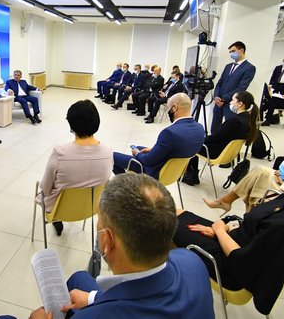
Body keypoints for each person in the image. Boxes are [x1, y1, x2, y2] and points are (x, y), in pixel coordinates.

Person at [174, 136, 284, 315]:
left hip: (229, 267)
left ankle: (171, 291)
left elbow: (242, 261)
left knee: (164, 223)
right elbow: (256, 229)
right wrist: (225, 229)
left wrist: (219, 231)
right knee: (176, 213)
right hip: (231, 240)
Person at [27, 173, 214, 319]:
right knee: (79, 278)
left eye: (99, 222)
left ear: (108, 241)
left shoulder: (96, 316)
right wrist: (92, 298)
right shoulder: (192, 260)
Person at [37, 100, 113, 236]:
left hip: (58, 210)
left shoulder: (60, 153)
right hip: (92, 207)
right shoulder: (108, 151)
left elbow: (46, 188)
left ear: (71, 124)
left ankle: (57, 221)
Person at [113, 93, 205, 178]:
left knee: (112, 156)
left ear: (174, 108)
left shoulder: (170, 133)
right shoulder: (200, 128)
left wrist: (138, 154)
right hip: (173, 173)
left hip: (155, 172)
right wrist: (153, 150)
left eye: (168, 108)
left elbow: (149, 160)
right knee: (139, 148)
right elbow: (178, 148)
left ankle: (126, 185)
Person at [183, 91, 258, 185]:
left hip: (216, 152)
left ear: (240, 104)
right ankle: (192, 175)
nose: (230, 103)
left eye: (233, 100)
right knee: (195, 141)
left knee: (190, 143)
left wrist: (199, 140)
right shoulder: (248, 120)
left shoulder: (234, 121)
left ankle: (191, 175)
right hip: (227, 153)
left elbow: (215, 137)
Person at [211, 41, 256, 133]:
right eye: (230, 52)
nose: (231, 54)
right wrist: (216, 96)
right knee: (215, 127)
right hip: (218, 102)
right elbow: (219, 83)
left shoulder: (249, 68)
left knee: (229, 129)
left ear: (241, 50)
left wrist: (224, 99)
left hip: (232, 103)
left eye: (233, 51)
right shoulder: (228, 66)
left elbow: (242, 87)